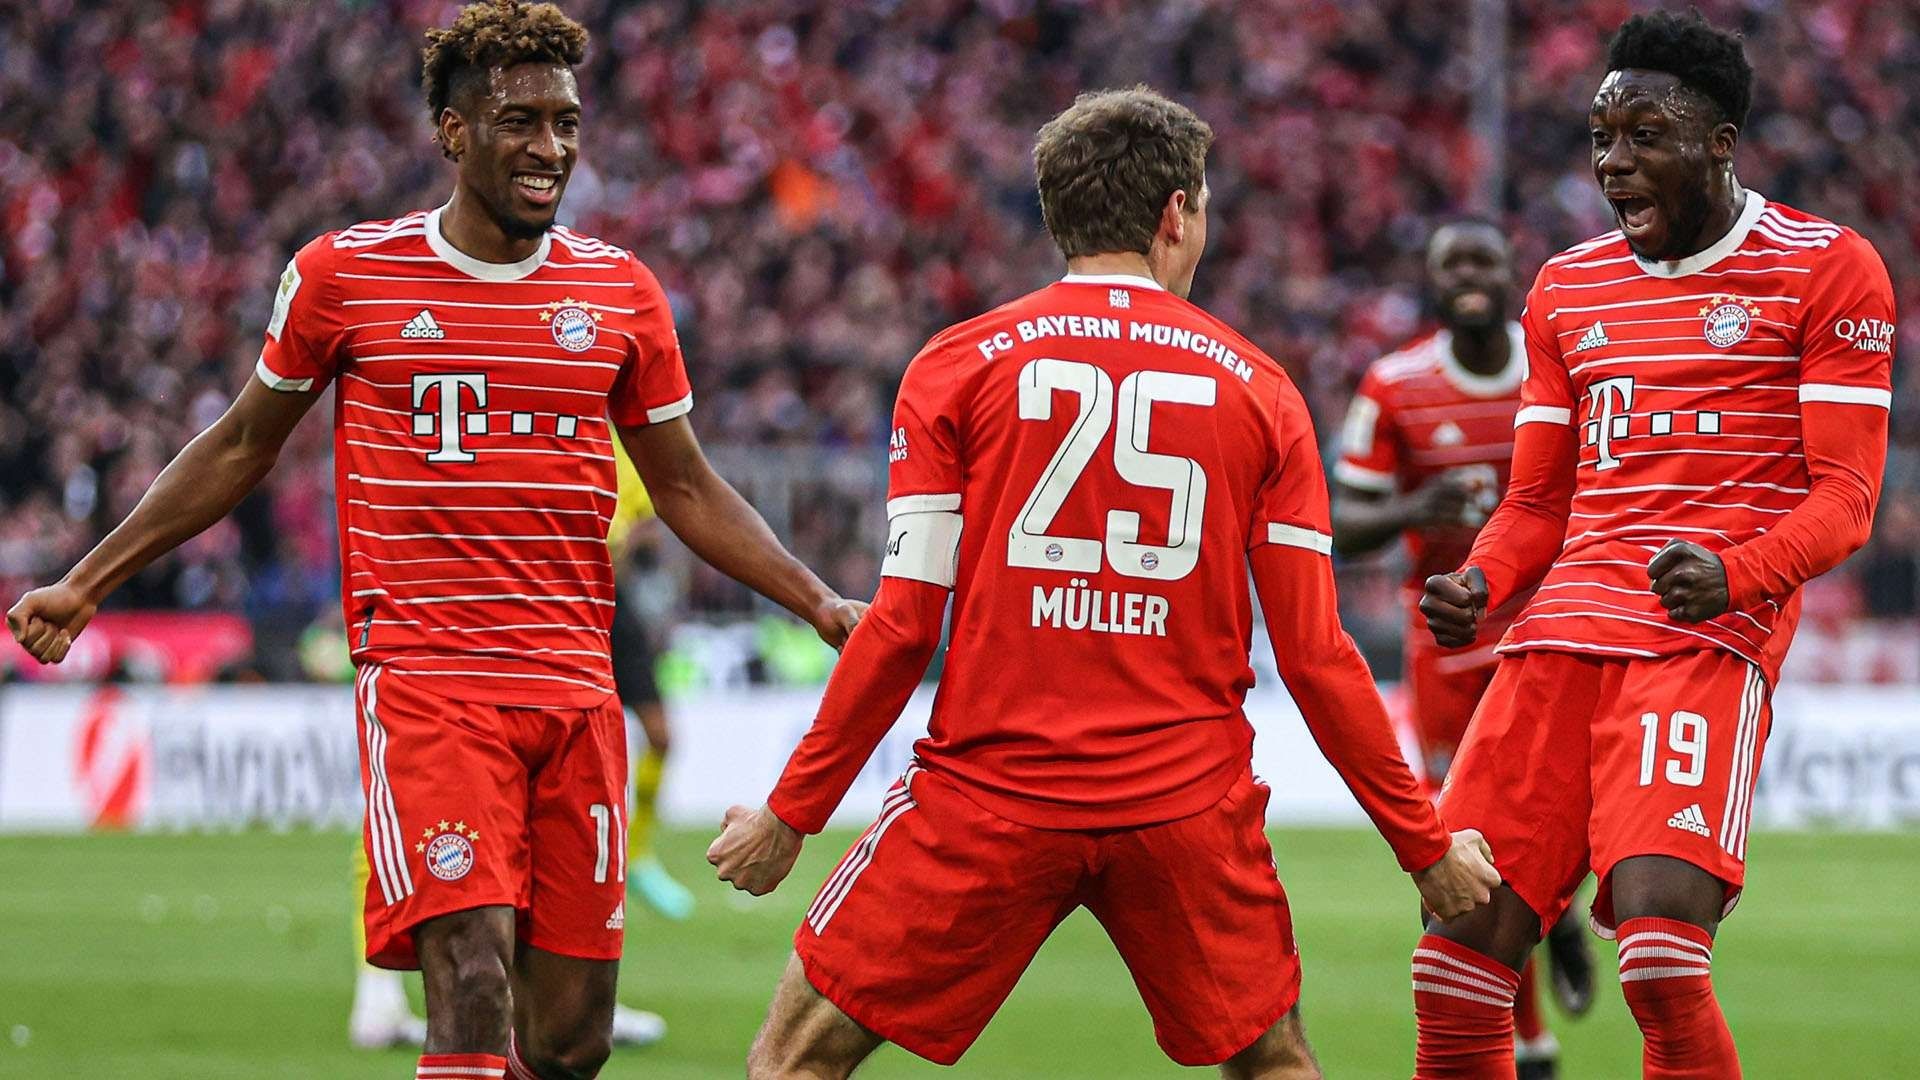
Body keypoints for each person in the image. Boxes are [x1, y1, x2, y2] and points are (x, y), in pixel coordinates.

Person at [6, 4, 863, 1079]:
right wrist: (87, 582)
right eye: (519, 121)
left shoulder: (620, 293)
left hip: (575, 688)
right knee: (469, 979)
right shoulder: (344, 276)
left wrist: (818, 601)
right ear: (453, 132)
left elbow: (686, 486)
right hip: (428, 684)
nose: (550, 147)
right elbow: (239, 444)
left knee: (570, 1040)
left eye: (566, 122)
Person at [706, 86, 1499, 1080]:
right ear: (1175, 213)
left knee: (794, 1062)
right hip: (1185, 804)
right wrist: (1424, 845)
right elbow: (1314, 654)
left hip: (989, 794)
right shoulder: (1263, 391)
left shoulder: (955, 366)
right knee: (1274, 1064)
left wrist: (790, 815)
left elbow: (905, 625)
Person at [1410, 11, 1894, 1078]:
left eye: (1644, 136)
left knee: (1662, 959)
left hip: (1703, 640)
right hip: (1557, 640)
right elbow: (1537, 502)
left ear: (1720, 144)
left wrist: (1737, 573)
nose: (1613, 163)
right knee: (1455, 962)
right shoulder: (1566, 287)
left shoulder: (1827, 267)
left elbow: (1849, 498)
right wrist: (1481, 579)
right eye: (1601, 139)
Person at [1331, 222, 1593, 1079]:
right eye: (1452, 265)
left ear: (1512, 274)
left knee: (1568, 817)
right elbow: (1344, 522)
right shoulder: (1394, 385)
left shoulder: (1562, 368)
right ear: (1432, 282)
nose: (1469, 276)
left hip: (1556, 628)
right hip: (1448, 644)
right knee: (1471, 847)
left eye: (1483, 260)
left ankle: (1563, 915)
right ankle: (1532, 1044)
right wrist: (1415, 510)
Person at [607, 438, 696, 922]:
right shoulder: (558, 430)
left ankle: (637, 855)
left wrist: (637, 541)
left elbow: (648, 525)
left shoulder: (625, 445)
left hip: (615, 608)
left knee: (661, 736)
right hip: (563, 604)